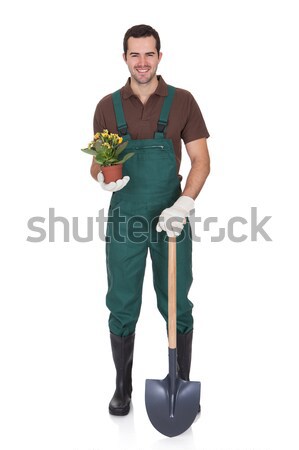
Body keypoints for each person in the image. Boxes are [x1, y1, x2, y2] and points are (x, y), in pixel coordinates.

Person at [90, 24, 210, 416]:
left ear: (160, 56)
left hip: (170, 218)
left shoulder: (183, 102)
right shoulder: (108, 106)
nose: (142, 62)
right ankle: (121, 387)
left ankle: (180, 382)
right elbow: (97, 163)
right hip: (125, 216)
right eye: (134, 54)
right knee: (122, 302)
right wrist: (104, 180)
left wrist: (184, 205)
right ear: (124, 57)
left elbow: (201, 161)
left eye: (149, 54)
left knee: (177, 302)